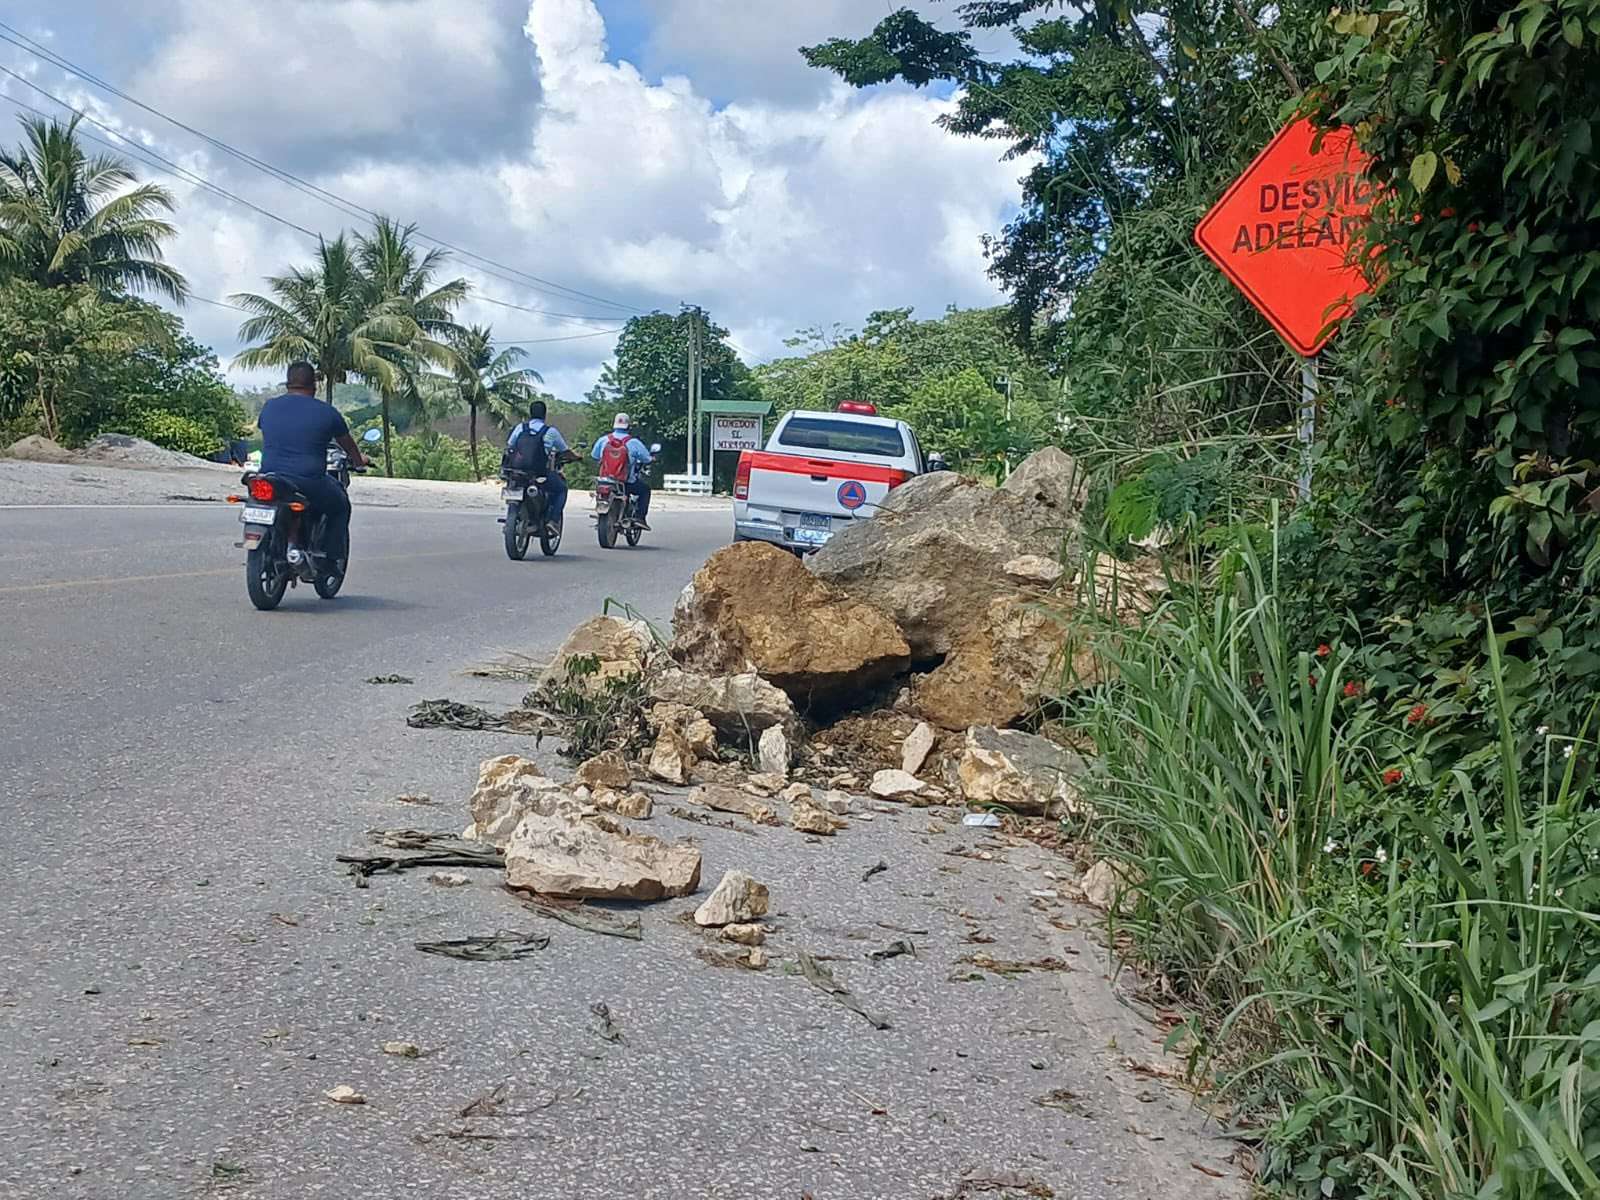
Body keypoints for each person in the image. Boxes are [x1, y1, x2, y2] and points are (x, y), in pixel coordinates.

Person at [256, 362, 367, 573]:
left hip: (269, 476)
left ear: (288, 383)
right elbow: (348, 444)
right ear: (314, 384)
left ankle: (291, 541)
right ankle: (332, 559)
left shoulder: (269, 407)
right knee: (341, 504)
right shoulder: (327, 413)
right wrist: (359, 461)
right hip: (308, 480)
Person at [505, 400, 573, 529]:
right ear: (544, 415)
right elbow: (565, 451)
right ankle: (553, 521)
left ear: (530, 413)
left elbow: (510, 445)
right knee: (561, 490)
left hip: (517, 471)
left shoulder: (520, 427)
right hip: (539, 472)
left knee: (513, 487)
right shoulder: (551, 431)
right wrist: (577, 457)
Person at [590, 412, 654, 530]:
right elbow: (647, 458)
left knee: (601, 494)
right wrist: (651, 458)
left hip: (606, 481)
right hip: (626, 482)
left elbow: (594, 456)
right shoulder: (633, 442)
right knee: (645, 491)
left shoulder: (603, 440)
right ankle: (640, 518)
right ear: (628, 426)